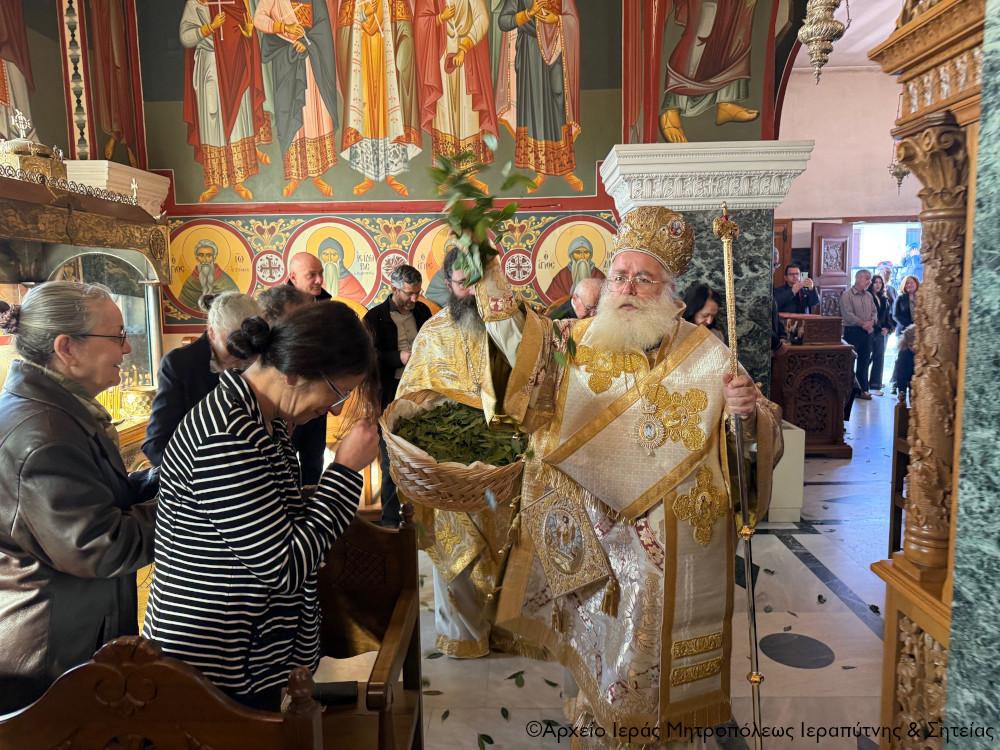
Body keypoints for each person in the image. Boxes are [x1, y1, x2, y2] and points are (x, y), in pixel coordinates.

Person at [475, 205, 782, 740]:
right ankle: (597, 719)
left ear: (669, 291)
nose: (629, 288)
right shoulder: (574, 340)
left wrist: (748, 413)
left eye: (644, 278)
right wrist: (488, 272)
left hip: (673, 547)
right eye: (619, 276)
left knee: (654, 652)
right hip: (596, 540)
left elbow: (759, 435)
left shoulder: (706, 352)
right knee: (597, 655)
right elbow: (518, 362)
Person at [142, 303, 380, 711]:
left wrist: (309, 510)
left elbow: (271, 520)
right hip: (218, 663)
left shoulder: (261, 418)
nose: (338, 408)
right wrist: (343, 470)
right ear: (293, 373)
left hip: (248, 649)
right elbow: (284, 568)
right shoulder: (228, 434)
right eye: (338, 392)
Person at [0, 283, 159, 713]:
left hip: (71, 634)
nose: (126, 350)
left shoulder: (56, 410)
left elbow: (104, 496)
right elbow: (100, 544)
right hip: (49, 654)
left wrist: (175, 479)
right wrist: (194, 505)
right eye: (117, 336)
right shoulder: (43, 436)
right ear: (67, 347)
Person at [143, 292, 260, 467]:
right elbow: (156, 444)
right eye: (234, 342)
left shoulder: (257, 359)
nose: (244, 353)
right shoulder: (180, 364)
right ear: (212, 331)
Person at [363, 265, 432, 527]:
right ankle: (390, 520)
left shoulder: (423, 312)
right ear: (394, 289)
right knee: (391, 460)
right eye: (409, 293)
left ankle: (424, 519)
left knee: (423, 456)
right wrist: (398, 358)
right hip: (389, 395)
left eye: (418, 292)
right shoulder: (374, 318)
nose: (415, 299)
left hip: (420, 393)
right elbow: (367, 359)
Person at [180, 1, 270, 202]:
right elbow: (185, 37)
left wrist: (248, 34)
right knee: (213, 123)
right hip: (210, 67)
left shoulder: (235, 2)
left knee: (238, 121)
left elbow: (247, 31)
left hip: (237, 68)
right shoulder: (196, 3)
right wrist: (208, 28)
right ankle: (214, 182)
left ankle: (238, 180)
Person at [335, 0, 422, 196]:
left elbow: (405, 26)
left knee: (388, 116)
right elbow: (343, 32)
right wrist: (363, 15)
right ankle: (367, 177)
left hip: (388, 63)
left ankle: (392, 174)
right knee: (366, 116)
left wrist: (404, 48)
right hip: (362, 60)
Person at [254, 0, 340, 198]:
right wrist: (283, 27)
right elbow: (258, 18)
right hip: (286, 61)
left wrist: (307, 45)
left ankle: (317, 173)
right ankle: (295, 175)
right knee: (291, 113)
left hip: (312, 62)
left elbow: (322, 27)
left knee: (315, 116)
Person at [496, 0, 583, 193]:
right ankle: (540, 171)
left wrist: (557, 20)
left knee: (559, 106)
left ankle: (566, 169)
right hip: (530, 53)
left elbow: (573, 21)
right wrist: (529, 12)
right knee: (535, 111)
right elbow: (504, 21)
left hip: (557, 53)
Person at [414, 0, 498, 192]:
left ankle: (470, 173)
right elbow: (419, 23)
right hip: (440, 58)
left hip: (466, 58)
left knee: (468, 112)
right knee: (444, 114)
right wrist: (439, 19)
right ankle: (447, 172)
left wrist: (464, 47)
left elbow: (482, 19)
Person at [841, 269, 878, 400]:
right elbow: (848, 315)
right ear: (858, 279)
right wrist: (863, 324)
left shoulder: (868, 296)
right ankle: (849, 390)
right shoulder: (847, 295)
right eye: (867, 279)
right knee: (850, 362)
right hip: (852, 332)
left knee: (864, 361)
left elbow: (874, 311)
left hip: (867, 333)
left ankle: (863, 389)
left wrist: (872, 322)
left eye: (870, 279)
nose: (869, 282)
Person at [177, 239, 242, 309]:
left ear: (214, 256)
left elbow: (236, 305)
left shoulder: (226, 281)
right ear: (196, 257)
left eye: (209, 256)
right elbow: (184, 305)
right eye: (201, 256)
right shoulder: (190, 282)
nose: (205, 260)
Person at [544, 236, 606, 300]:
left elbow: (604, 300)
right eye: (578, 252)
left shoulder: (599, 275)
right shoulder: (562, 276)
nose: (582, 256)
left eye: (586, 252)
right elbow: (553, 299)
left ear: (590, 255)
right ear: (571, 255)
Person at [890, 275, 919, 395]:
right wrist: (909, 325)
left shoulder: (921, 298)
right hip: (904, 332)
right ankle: (897, 382)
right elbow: (895, 315)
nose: (909, 285)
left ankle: (912, 383)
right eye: (907, 283)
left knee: (913, 359)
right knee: (902, 358)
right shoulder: (901, 298)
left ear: (916, 284)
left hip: (918, 332)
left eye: (911, 283)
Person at [867, 273, 894, 396]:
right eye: (875, 282)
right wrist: (876, 327)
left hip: (881, 332)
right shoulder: (867, 297)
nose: (877, 285)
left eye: (879, 282)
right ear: (871, 284)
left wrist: (888, 328)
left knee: (879, 357)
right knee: (866, 358)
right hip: (870, 331)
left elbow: (888, 315)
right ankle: (860, 383)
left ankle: (875, 384)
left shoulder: (884, 298)